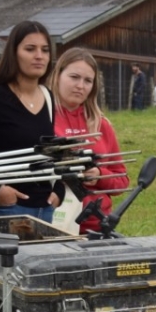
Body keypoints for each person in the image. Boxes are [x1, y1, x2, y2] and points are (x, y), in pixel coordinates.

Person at [0, 22, 60, 222]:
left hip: (46, 210)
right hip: (6, 210)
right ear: (13, 53)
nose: (39, 56)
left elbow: (50, 152)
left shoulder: (48, 96)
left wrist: (58, 192)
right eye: (30, 49)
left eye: (45, 50)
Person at [48, 48, 127, 234]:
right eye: (74, 77)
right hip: (53, 224)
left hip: (97, 226)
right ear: (58, 75)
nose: (80, 86)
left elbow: (122, 180)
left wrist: (99, 174)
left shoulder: (101, 125)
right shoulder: (42, 118)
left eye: (88, 81)